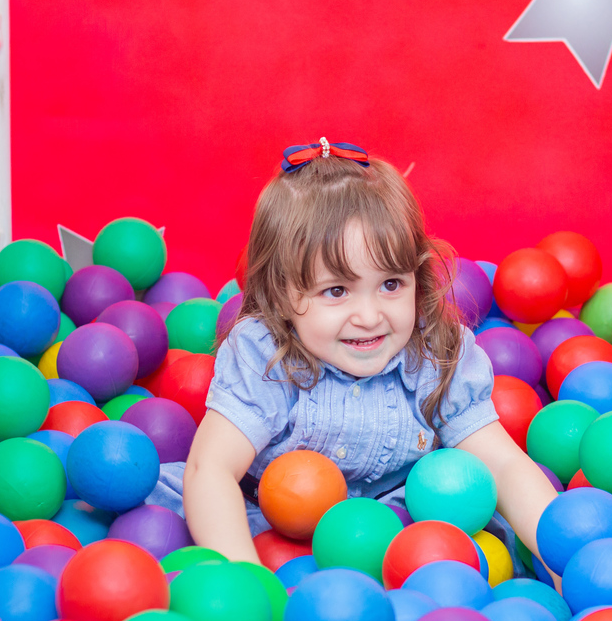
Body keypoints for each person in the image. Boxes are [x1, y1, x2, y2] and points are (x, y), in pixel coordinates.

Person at [148, 138, 559, 565]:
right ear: (283, 296)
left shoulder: (434, 352)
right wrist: (249, 581)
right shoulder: (267, 355)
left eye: (391, 284)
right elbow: (210, 471)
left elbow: (505, 466)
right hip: (265, 526)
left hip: (399, 537)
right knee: (156, 520)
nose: (369, 315)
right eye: (337, 291)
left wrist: (562, 557)